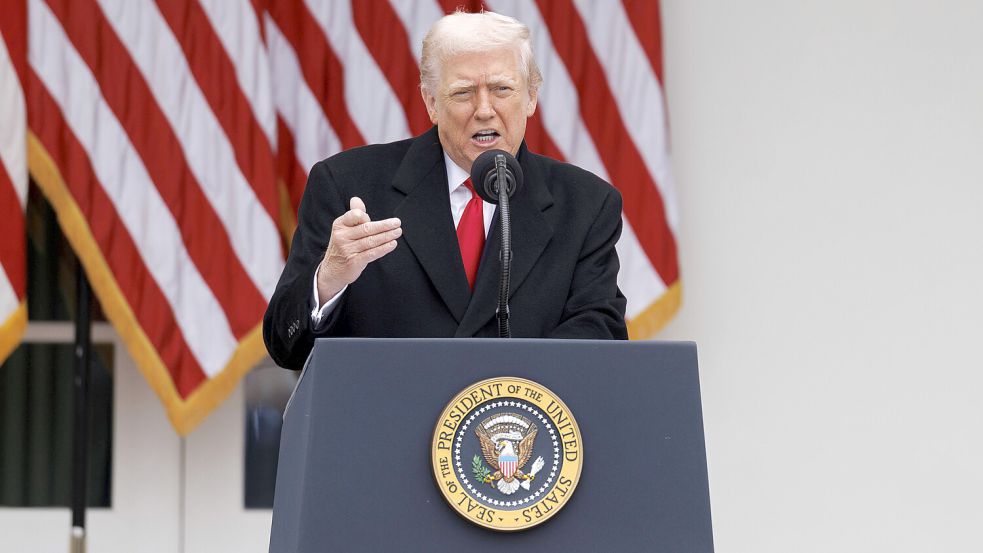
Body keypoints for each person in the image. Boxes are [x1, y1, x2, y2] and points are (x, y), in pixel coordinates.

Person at [263, 11, 627, 370]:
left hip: (513, 425)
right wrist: (329, 279)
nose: (485, 109)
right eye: (464, 92)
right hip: (387, 422)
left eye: (502, 89)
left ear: (531, 97)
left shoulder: (587, 204)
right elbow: (286, 346)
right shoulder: (348, 185)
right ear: (432, 103)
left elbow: (600, 334)